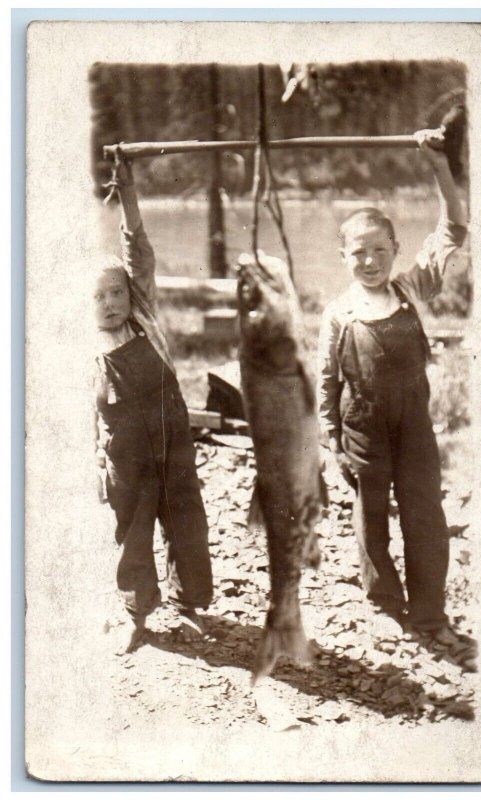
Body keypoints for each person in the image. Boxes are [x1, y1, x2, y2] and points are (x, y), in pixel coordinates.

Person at [317, 129, 467, 644]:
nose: (371, 262)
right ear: (344, 257)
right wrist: (332, 437)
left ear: (396, 251)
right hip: (362, 428)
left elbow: (453, 229)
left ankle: (429, 613)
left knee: (424, 512)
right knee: (371, 517)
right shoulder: (338, 314)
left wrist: (439, 166)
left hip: (413, 424)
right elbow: (326, 381)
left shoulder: (411, 289)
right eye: (359, 253)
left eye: (380, 251)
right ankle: (383, 603)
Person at [93, 154, 213, 654]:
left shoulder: (146, 319)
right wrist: (98, 461)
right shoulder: (85, 350)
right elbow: (87, 417)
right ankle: (136, 615)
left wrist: (128, 192)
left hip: (172, 443)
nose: (109, 303)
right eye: (96, 297)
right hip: (126, 457)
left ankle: (188, 608)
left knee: (186, 522)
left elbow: (137, 252)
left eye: (115, 291)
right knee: (133, 534)